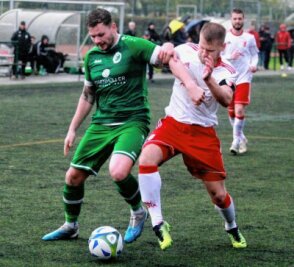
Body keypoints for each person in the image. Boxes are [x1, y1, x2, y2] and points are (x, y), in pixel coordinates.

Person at [42, 8, 176, 243]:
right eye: (93, 36)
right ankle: (70, 226)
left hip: (133, 121)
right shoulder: (92, 57)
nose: (97, 41)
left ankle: (138, 213)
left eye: (101, 35)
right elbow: (87, 96)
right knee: (72, 177)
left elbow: (164, 58)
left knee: (118, 171)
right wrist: (72, 129)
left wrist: (168, 47)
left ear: (113, 27)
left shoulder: (134, 45)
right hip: (102, 123)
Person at [138, 22, 247, 251]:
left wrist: (207, 79)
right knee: (146, 159)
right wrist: (168, 45)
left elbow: (227, 98)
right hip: (174, 124)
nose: (203, 53)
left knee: (218, 195)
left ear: (223, 48)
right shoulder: (187, 50)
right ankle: (158, 223)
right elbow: (167, 55)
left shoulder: (226, 71)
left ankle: (232, 226)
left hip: (202, 134)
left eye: (210, 51)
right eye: (202, 47)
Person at [222, 8, 259, 155]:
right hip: (228, 78)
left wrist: (254, 65)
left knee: (239, 110)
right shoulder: (224, 37)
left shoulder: (249, 38)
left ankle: (235, 142)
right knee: (231, 113)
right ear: (231, 20)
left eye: (240, 18)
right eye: (235, 18)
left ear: (243, 20)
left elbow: (255, 55)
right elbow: (219, 56)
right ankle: (242, 138)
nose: (237, 21)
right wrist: (230, 56)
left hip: (244, 77)